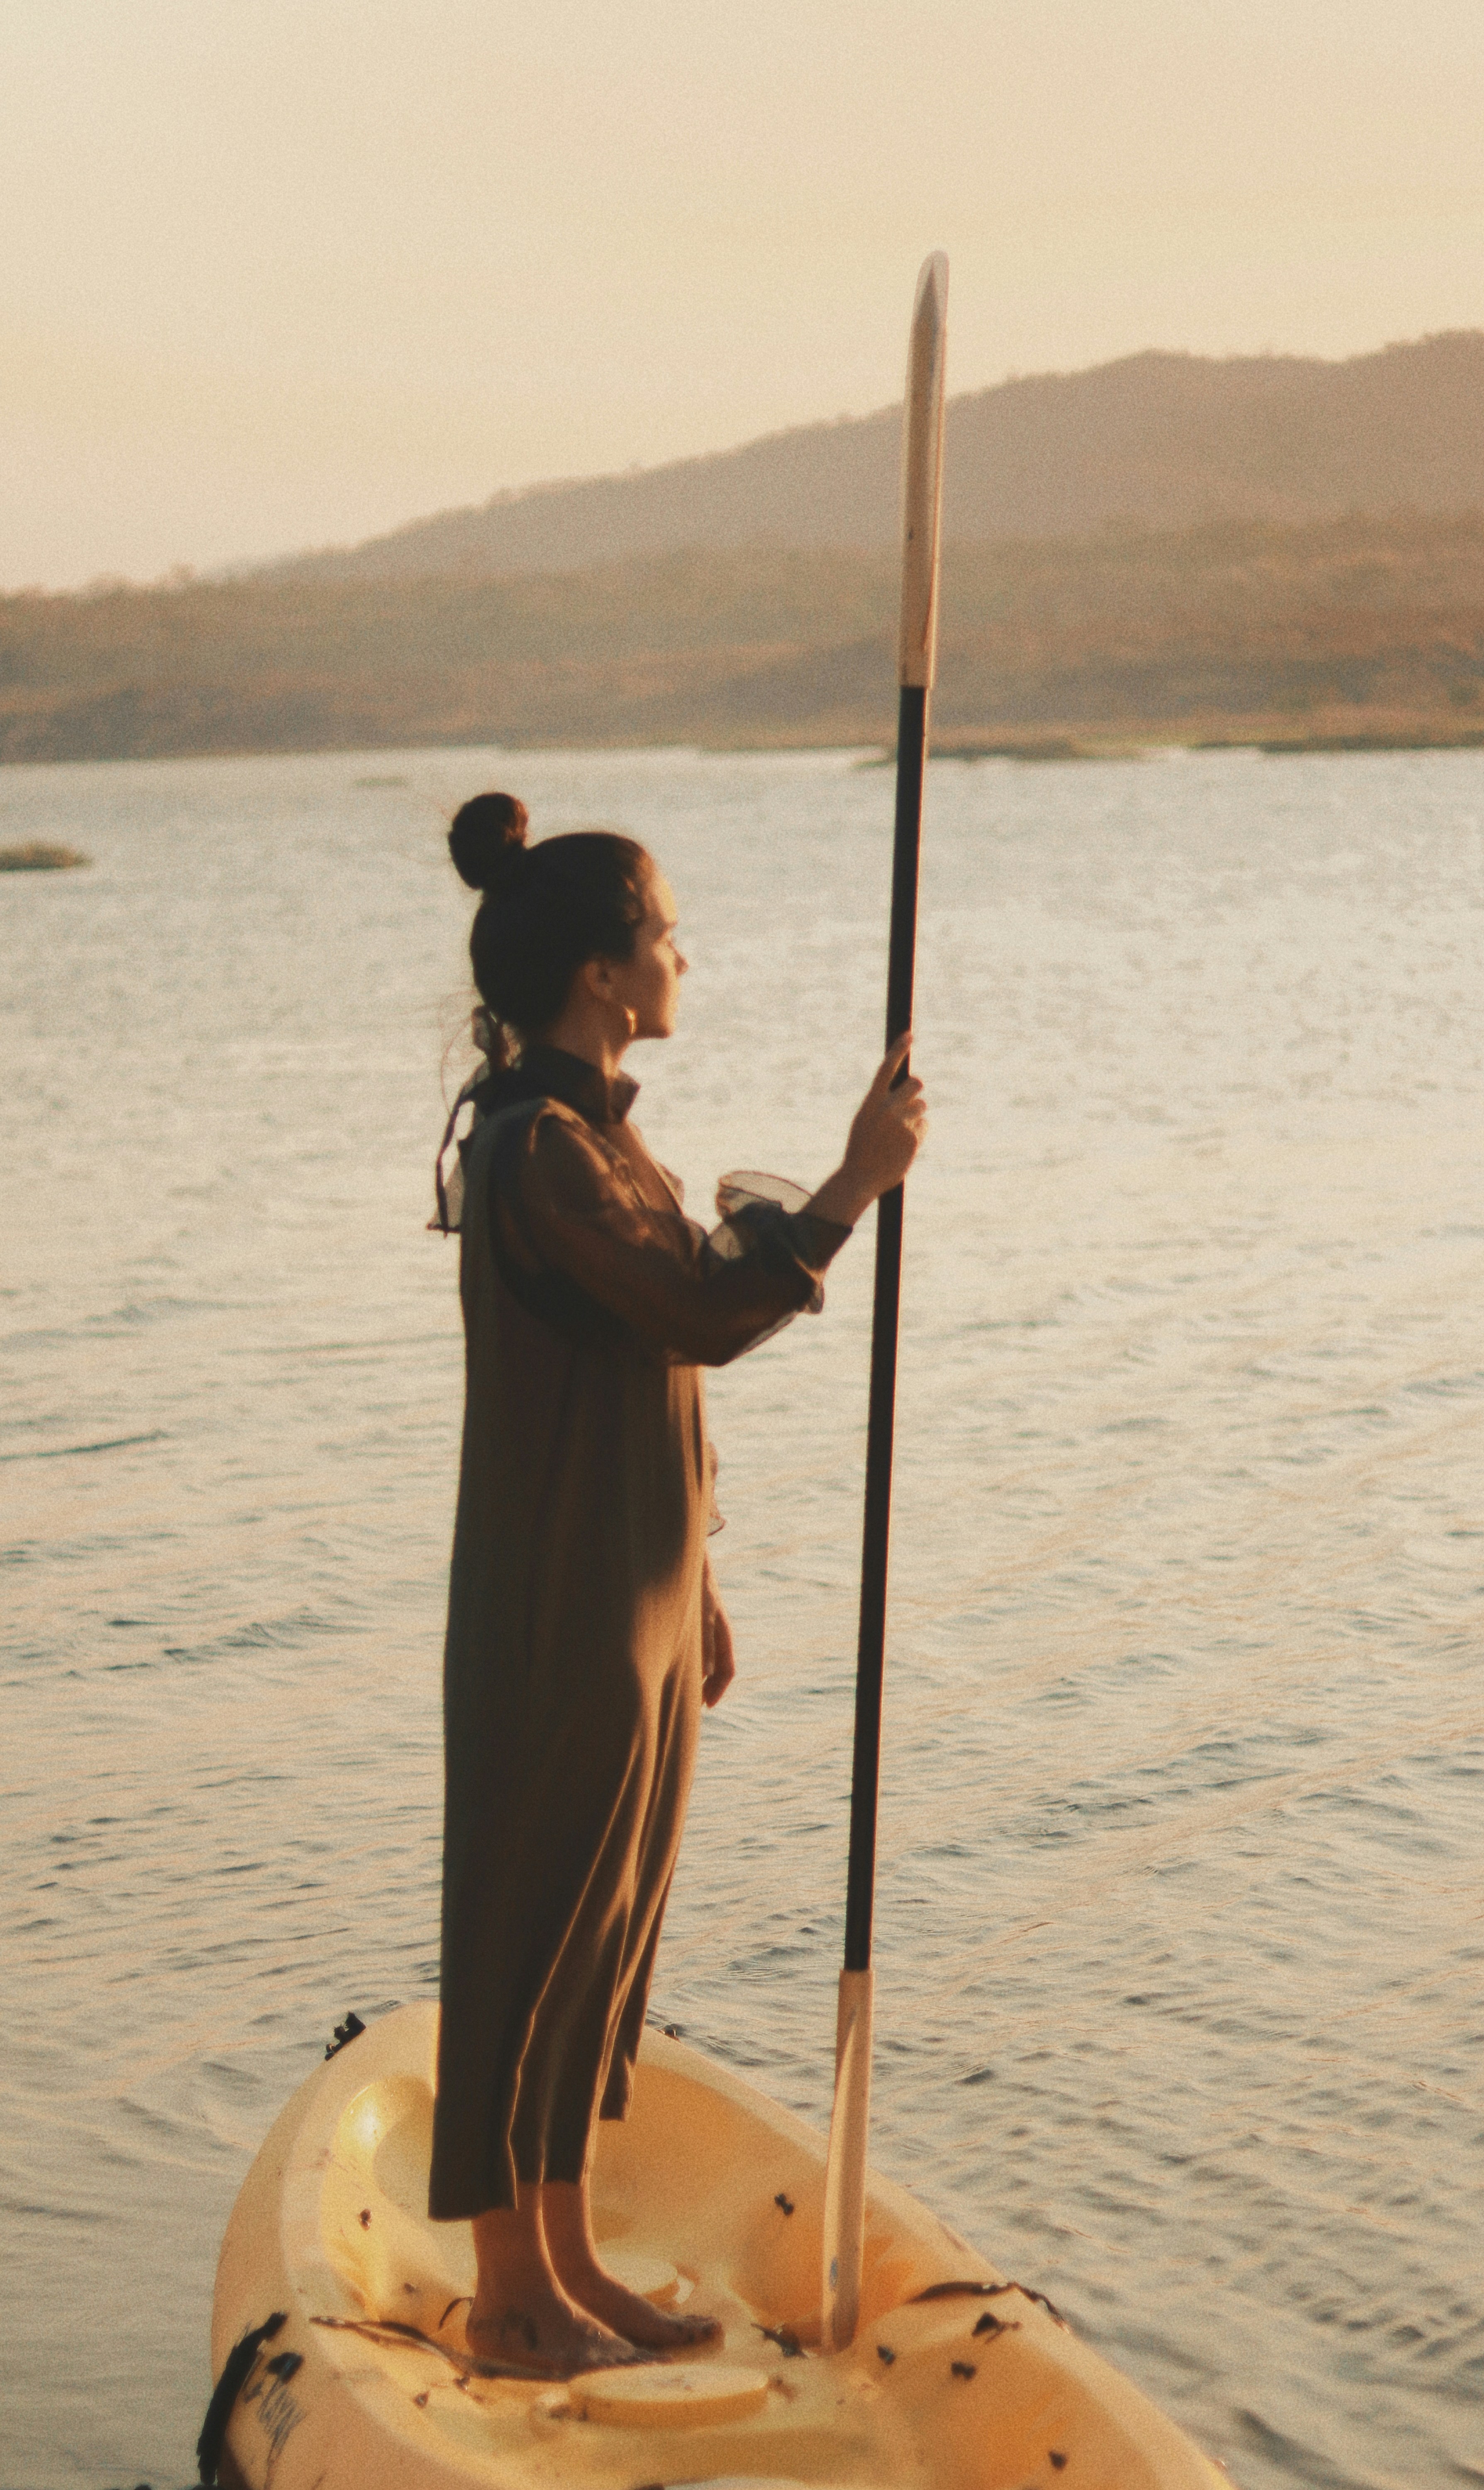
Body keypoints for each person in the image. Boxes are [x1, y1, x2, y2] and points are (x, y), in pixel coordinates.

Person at [428, 791, 926, 2378]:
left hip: (639, 1584)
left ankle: (570, 2258)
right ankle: (508, 2298)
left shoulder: (605, 1135)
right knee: (529, 1927)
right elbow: (699, 1312)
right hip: (556, 1599)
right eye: (664, 936)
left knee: (609, 1929)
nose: (682, 959)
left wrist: (699, 1573)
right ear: (600, 971)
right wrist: (849, 1188)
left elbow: (656, 1362)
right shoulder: (537, 1150)